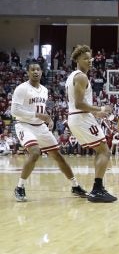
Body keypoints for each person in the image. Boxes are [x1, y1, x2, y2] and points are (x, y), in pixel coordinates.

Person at [11, 60, 87, 202]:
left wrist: (49, 120)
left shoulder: (44, 90)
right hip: (24, 125)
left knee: (58, 156)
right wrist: (37, 115)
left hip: (40, 126)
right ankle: (20, 187)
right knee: (35, 152)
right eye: (32, 69)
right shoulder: (22, 88)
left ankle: (75, 186)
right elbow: (14, 110)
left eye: (38, 69)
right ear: (28, 72)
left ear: (41, 72)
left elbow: (40, 109)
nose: (35, 72)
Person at [66, 44, 117, 203]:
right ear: (77, 60)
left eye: (90, 58)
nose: (89, 61)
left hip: (77, 118)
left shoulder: (72, 76)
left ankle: (98, 187)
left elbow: (79, 103)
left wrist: (96, 113)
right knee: (105, 151)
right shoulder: (81, 76)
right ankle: (97, 189)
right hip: (81, 117)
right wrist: (100, 107)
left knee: (101, 150)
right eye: (85, 58)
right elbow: (80, 104)